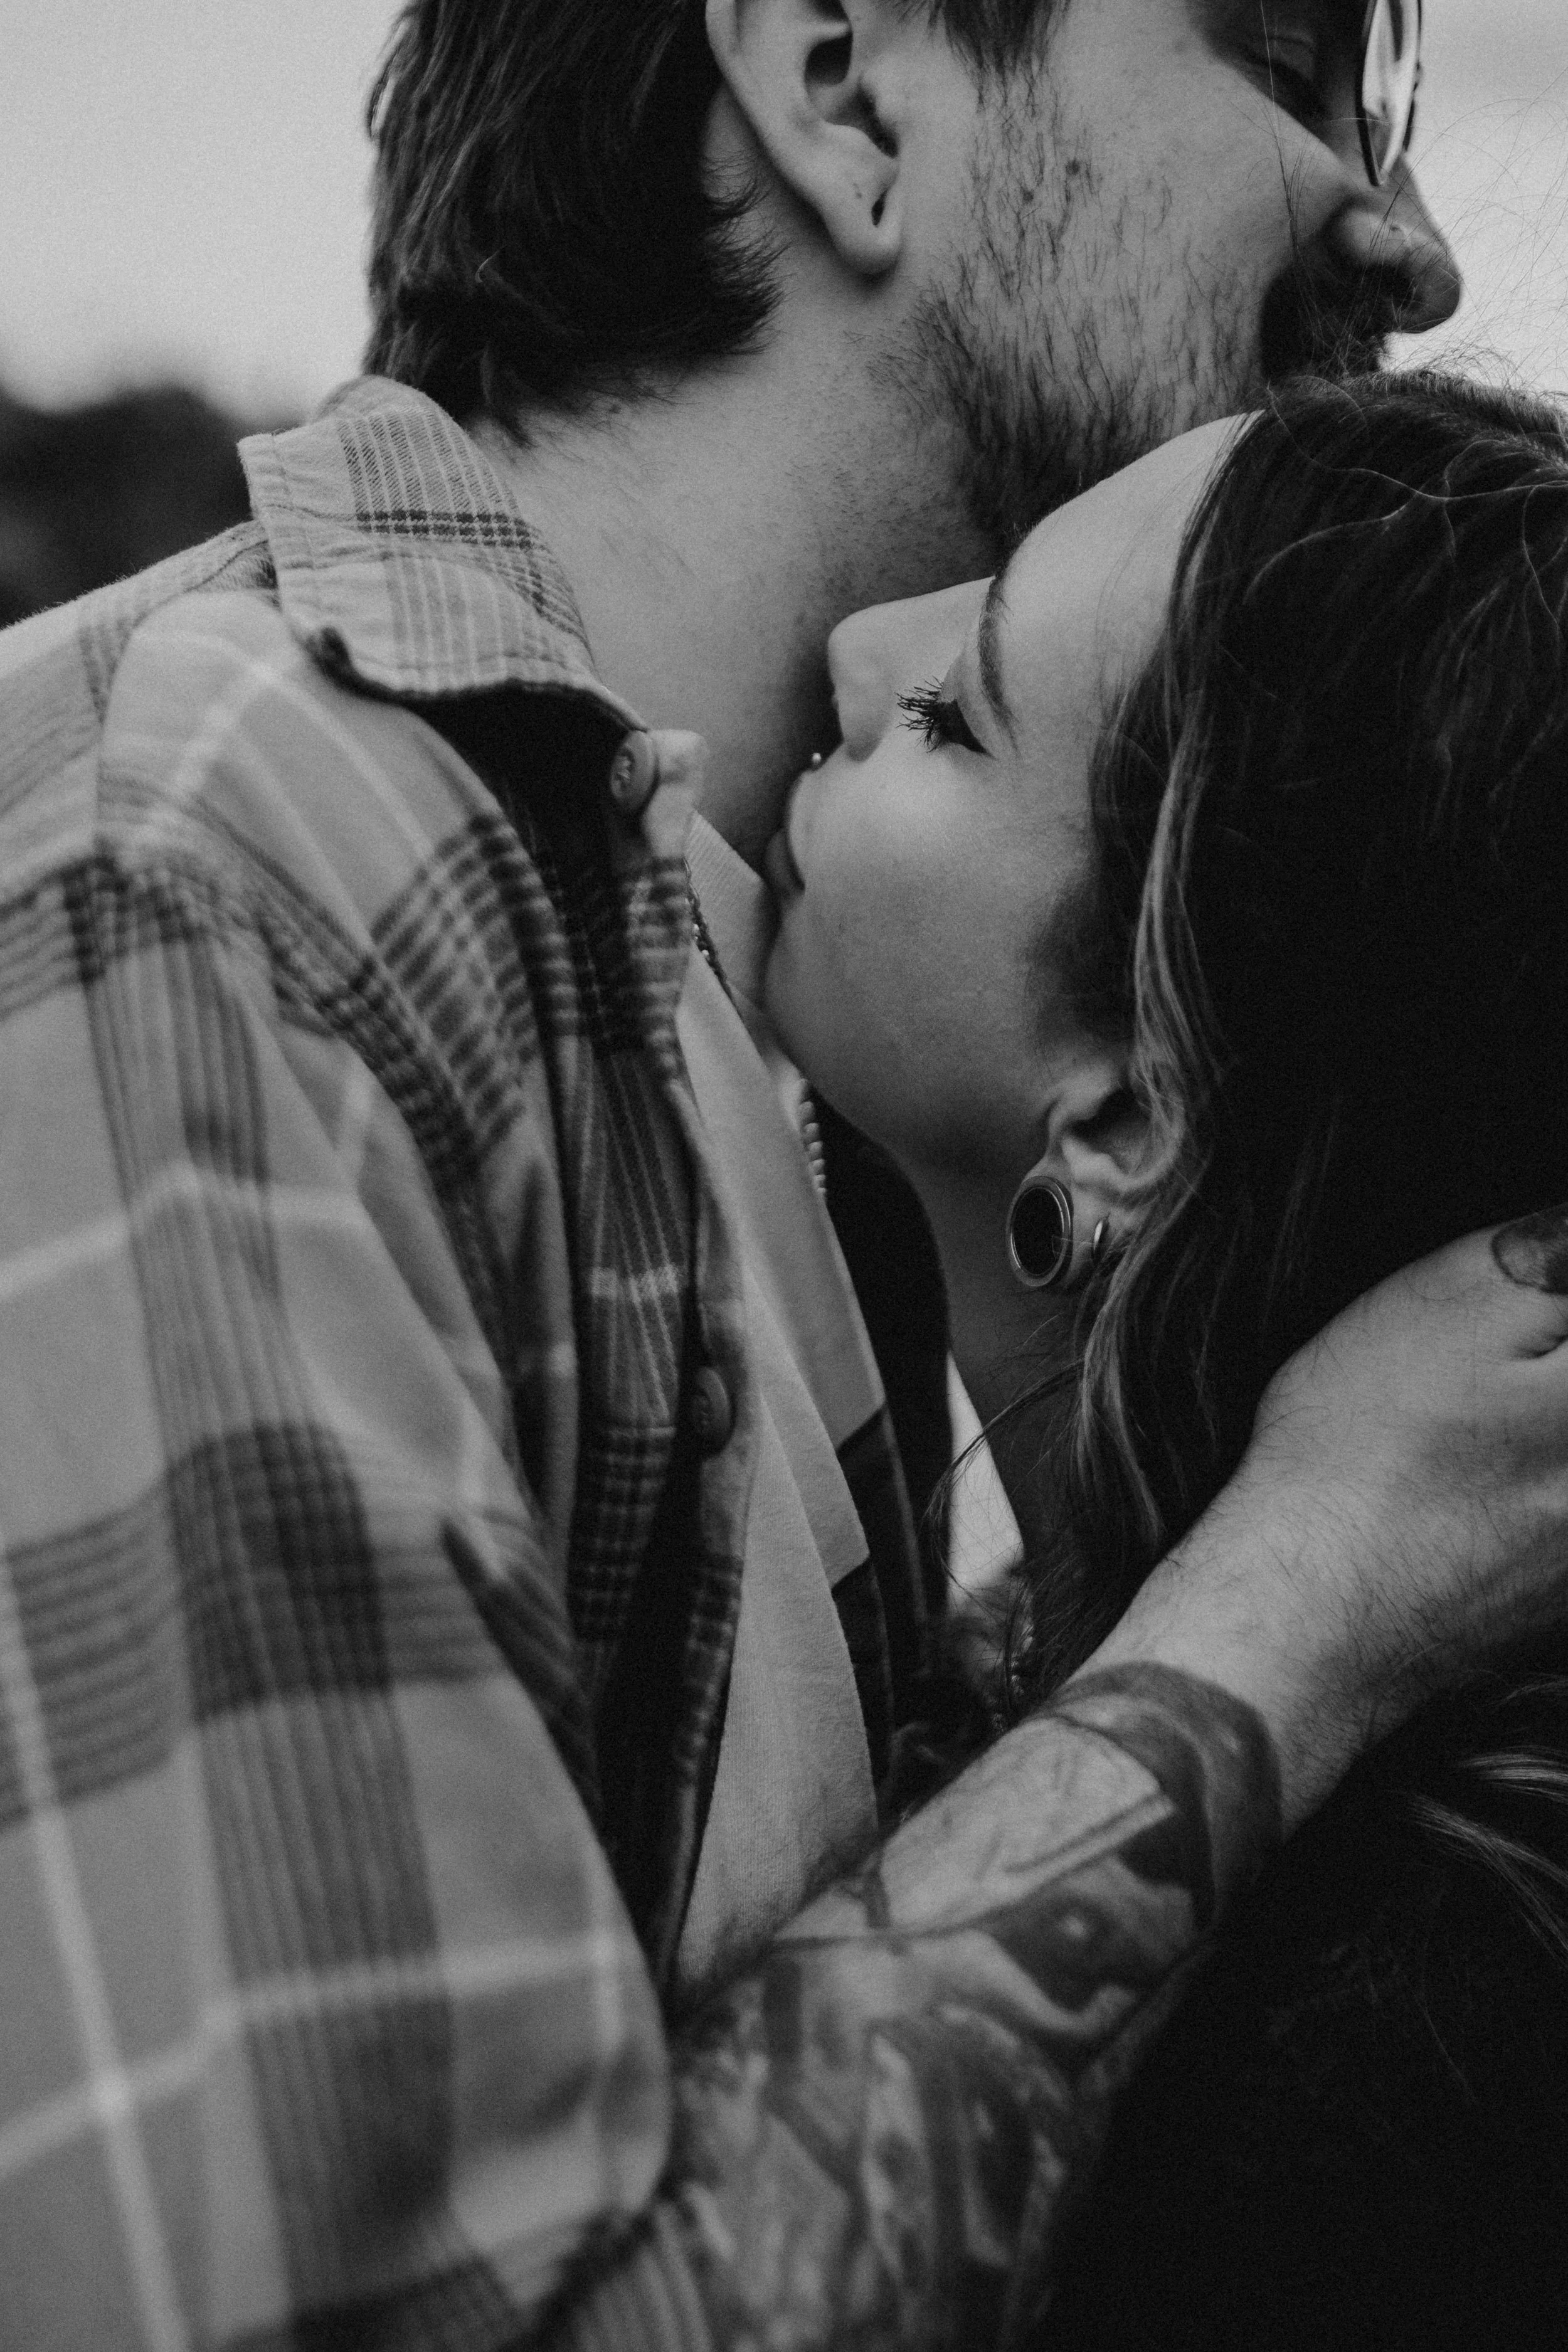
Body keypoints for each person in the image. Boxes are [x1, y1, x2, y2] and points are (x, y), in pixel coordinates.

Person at [0, 0, 1541, 2343]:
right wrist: (1304, 1592)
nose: (1403, 239)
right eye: (1283, 62)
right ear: (835, 83)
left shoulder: (758, 962)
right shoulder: (238, 873)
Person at [760, 366, 1568, 2346]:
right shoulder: (1005, 1661)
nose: (852, 653)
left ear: (1127, 1119)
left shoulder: (1380, 2095)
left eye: (955, 714)